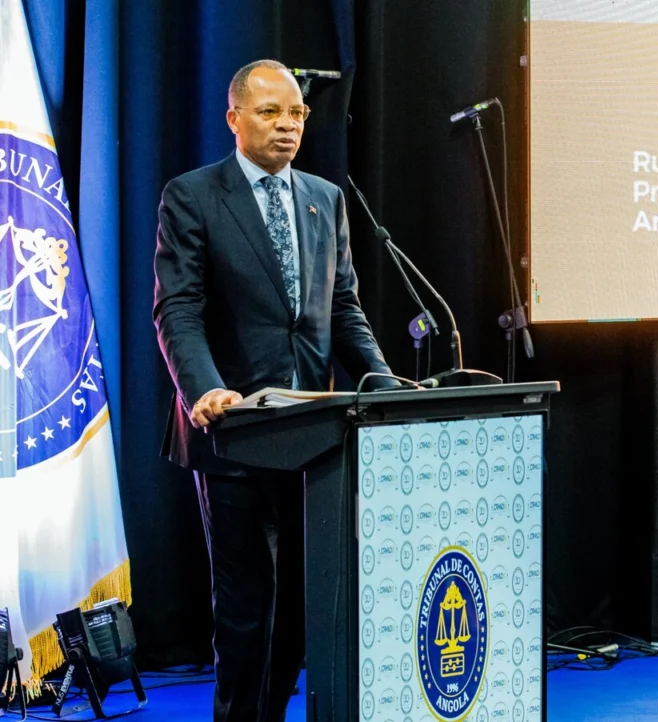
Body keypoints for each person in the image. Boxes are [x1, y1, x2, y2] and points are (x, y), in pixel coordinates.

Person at [152, 59, 395, 722]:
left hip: (313, 435)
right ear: (234, 119)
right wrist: (205, 390)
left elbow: (342, 308)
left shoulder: (325, 198)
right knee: (245, 611)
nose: (288, 125)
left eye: (297, 114)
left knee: (297, 613)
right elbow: (178, 309)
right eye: (270, 113)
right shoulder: (194, 196)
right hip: (234, 433)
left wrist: (382, 381)